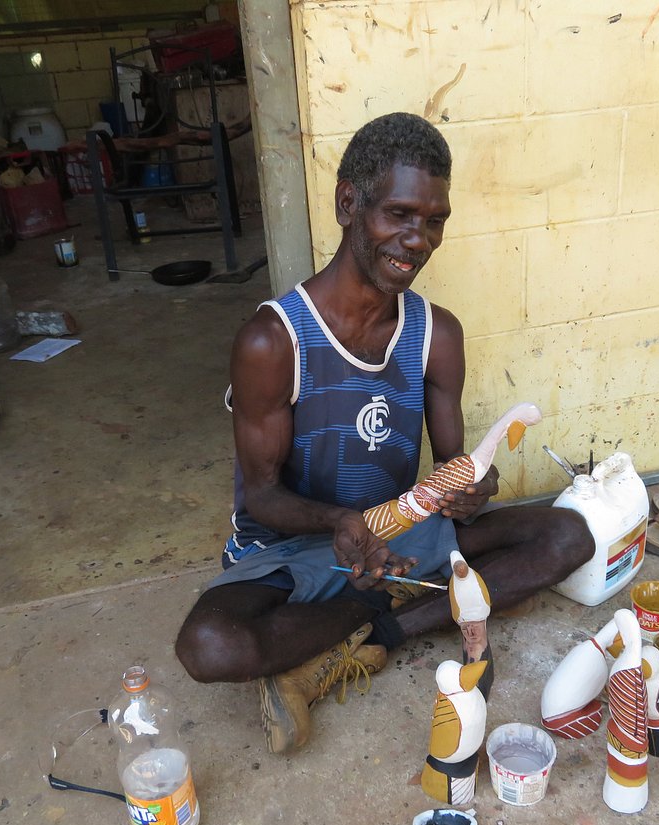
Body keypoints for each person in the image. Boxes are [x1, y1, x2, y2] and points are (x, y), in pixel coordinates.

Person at [176, 112, 595, 753]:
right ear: (350, 203)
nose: (418, 239)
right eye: (400, 214)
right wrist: (342, 523)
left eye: (434, 221)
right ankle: (374, 612)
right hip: (295, 546)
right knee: (208, 645)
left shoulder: (437, 335)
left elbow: (455, 465)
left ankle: (376, 635)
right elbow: (261, 496)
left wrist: (472, 488)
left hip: (402, 534)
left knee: (569, 535)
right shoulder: (273, 340)